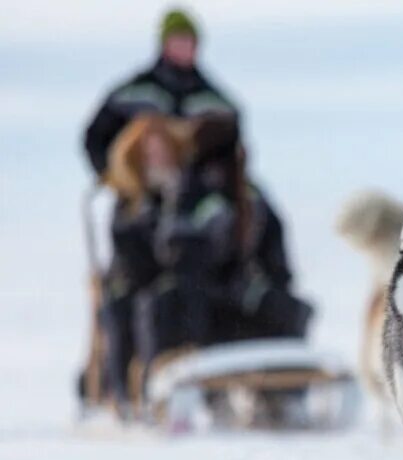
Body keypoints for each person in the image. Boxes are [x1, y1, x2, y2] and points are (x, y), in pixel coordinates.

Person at [81, 9, 311, 419]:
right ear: (164, 43)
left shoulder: (216, 101)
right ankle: (130, 390)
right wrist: (119, 178)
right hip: (144, 207)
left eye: (189, 41)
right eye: (177, 40)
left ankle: (275, 388)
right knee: (139, 295)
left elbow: (231, 153)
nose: (183, 48)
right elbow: (95, 139)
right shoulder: (132, 93)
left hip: (199, 221)